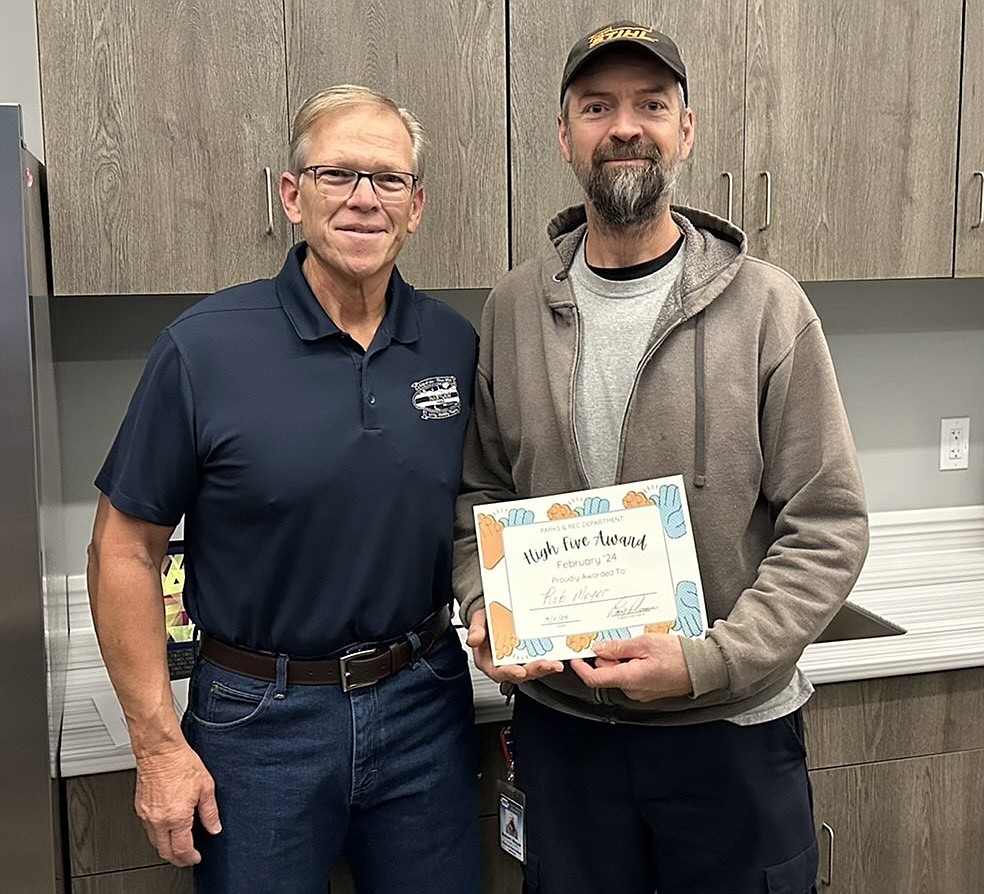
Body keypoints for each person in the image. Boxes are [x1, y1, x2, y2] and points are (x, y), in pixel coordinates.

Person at [453, 21, 869, 894]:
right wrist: (486, 601)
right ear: (564, 135)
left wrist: (707, 661)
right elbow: (480, 493)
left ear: (687, 129)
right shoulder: (514, 309)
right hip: (564, 737)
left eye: (651, 104)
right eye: (596, 107)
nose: (624, 127)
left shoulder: (767, 308)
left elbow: (827, 528)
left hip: (730, 733)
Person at [87, 85, 480, 894]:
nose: (364, 199)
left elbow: (482, 511)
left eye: (389, 180)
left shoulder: (453, 343)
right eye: (337, 175)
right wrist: (157, 746)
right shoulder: (203, 351)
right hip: (256, 724)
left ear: (417, 208)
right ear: (292, 194)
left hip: (425, 702)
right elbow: (123, 550)